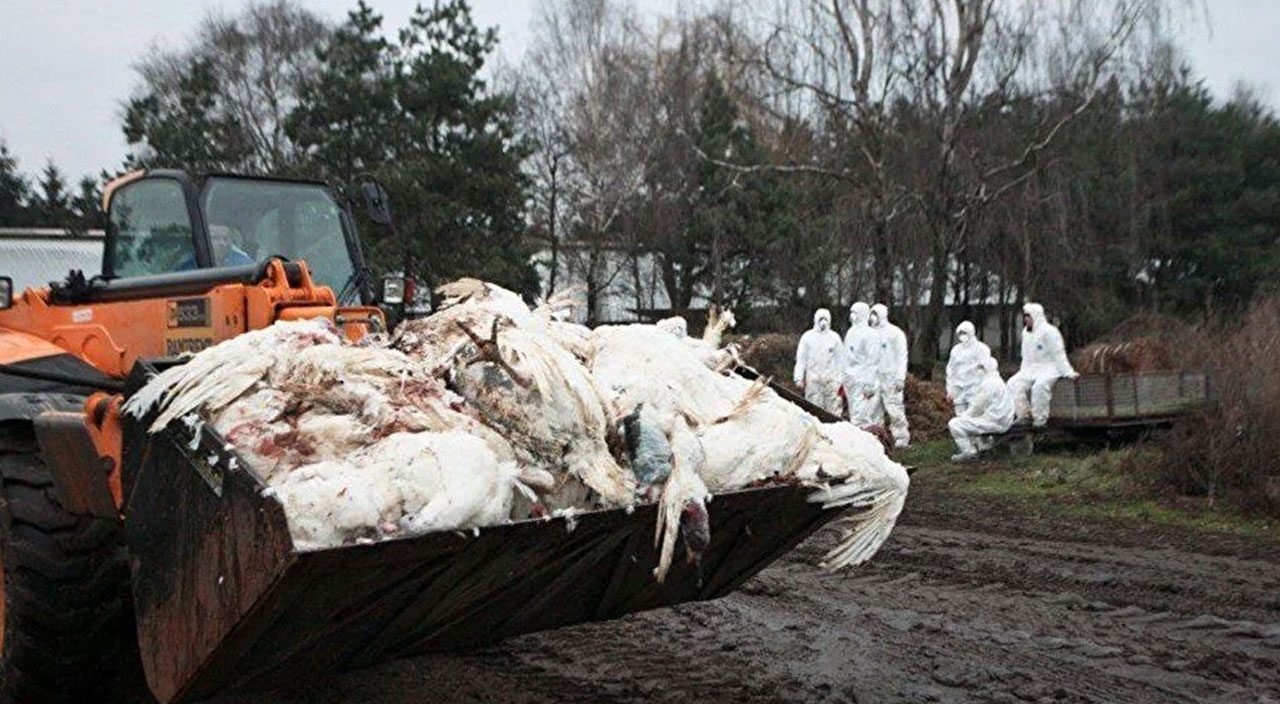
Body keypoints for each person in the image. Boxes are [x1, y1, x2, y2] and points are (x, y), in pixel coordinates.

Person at [1006, 302, 1078, 427]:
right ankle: (1023, 415)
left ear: (1036, 316)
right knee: (1012, 384)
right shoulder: (1026, 333)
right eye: (1025, 316)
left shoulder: (1050, 332)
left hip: (1049, 369)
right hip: (1030, 369)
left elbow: (1059, 354)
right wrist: (1023, 370)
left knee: (1039, 387)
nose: (1025, 319)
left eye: (1028, 316)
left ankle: (1039, 420)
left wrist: (1068, 372)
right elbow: (1025, 355)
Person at [948, 355, 1015, 461]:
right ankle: (985, 448)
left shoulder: (989, 384)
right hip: (1002, 420)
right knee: (974, 422)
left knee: (955, 424)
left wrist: (962, 418)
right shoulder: (998, 381)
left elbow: (977, 407)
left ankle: (969, 453)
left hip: (996, 422)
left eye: (980, 368)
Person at [869, 303, 910, 448]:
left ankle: (901, 437)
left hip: (891, 378)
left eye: (876, 313)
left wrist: (900, 377)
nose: (873, 317)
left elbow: (902, 356)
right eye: (871, 313)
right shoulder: (869, 333)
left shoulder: (895, 333)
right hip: (874, 378)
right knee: (873, 409)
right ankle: (876, 437)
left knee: (894, 408)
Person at [793, 308, 846, 416]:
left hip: (831, 382)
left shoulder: (834, 338)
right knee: (814, 412)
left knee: (833, 412)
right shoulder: (807, 337)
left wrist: (841, 380)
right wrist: (798, 377)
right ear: (816, 320)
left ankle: (835, 432)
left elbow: (841, 361)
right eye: (821, 319)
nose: (823, 322)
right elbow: (801, 359)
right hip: (813, 381)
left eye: (825, 319)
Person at [843, 302, 880, 425]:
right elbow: (846, 357)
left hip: (863, 381)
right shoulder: (851, 332)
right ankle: (857, 441)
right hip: (850, 380)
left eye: (855, 313)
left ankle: (864, 441)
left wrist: (869, 383)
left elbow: (872, 360)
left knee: (861, 416)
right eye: (851, 312)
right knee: (854, 413)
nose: (852, 315)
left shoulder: (870, 335)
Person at [945, 320, 991, 416]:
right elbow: (950, 371)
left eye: (964, 333)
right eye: (960, 333)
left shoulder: (982, 349)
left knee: (975, 415)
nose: (962, 336)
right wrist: (950, 389)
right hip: (959, 390)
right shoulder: (956, 350)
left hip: (975, 388)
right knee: (960, 417)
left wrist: (984, 388)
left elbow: (987, 369)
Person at [177, 223, 254, 270]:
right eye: (215, 238)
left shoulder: (243, 264)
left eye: (225, 238)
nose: (222, 243)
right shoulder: (188, 267)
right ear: (203, 241)